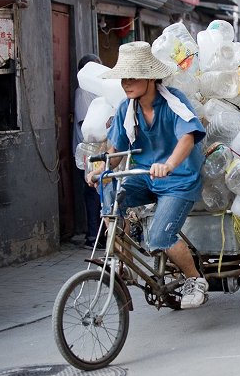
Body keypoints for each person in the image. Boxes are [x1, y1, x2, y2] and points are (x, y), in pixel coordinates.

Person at [89, 41, 208, 309]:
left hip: (178, 180)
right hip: (144, 177)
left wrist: (168, 164)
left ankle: (195, 278)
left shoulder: (173, 102)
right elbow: (116, 149)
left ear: (150, 78)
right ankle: (120, 255)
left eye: (133, 77)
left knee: (159, 237)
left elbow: (188, 138)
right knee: (109, 184)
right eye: (124, 78)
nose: (126, 83)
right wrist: (101, 169)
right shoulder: (125, 109)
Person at [74, 54, 105, 250]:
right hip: (89, 149)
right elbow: (88, 126)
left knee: (101, 190)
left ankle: (100, 234)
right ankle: (92, 237)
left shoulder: (96, 90)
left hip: (101, 148)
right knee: (92, 191)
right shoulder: (83, 92)